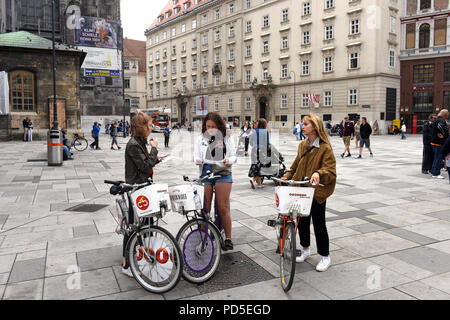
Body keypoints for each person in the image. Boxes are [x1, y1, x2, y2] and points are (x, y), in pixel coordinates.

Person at [282, 114, 337, 272]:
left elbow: (330, 169)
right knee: (302, 222)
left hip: (317, 192)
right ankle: (305, 249)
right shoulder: (302, 145)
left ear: (315, 126)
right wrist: (286, 176)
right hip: (302, 191)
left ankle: (325, 256)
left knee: (319, 224)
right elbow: (295, 165)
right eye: (302, 123)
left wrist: (319, 173)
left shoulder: (325, 147)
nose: (302, 126)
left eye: (306, 124)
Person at [122, 112, 162, 277]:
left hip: (143, 187)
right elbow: (144, 167)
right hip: (136, 189)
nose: (151, 128)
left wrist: (155, 158)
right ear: (143, 127)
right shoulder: (133, 144)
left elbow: (144, 164)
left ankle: (143, 256)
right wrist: (154, 149)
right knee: (133, 226)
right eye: (150, 125)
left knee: (147, 224)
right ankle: (126, 264)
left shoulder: (140, 142)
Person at [194, 112, 236, 251]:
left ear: (219, 126)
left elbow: (234, 156)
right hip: (206, 171)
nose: (210, 129)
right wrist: (197, 160)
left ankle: (228, 238)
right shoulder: (201, 138)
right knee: (204, 207)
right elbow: (196, 154)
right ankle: (203, 236)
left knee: (223, 207)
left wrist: (228, 160)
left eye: (213, 126)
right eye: (208, 126)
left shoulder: (226, 137)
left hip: (223, 171)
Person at [249, 119, 271, 189]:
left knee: (256, 165)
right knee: (260, 166)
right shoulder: (265, 132)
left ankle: (259, 184)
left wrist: (254, 145)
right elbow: (267, 143)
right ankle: (253, 179)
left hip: (254, 149)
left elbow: (250, 141)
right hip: (262, 150)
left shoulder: (254, 131)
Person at [430, 109, 450, 179]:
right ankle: (435, 173)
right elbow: (440, 127)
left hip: (434, 142)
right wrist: (444, 135)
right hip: (438, 142)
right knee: (438, 158)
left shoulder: (436, 120)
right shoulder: (441, 120)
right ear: (445, 115)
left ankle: (433, 171)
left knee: (436, 157)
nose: (448, 115)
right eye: (447, 114)